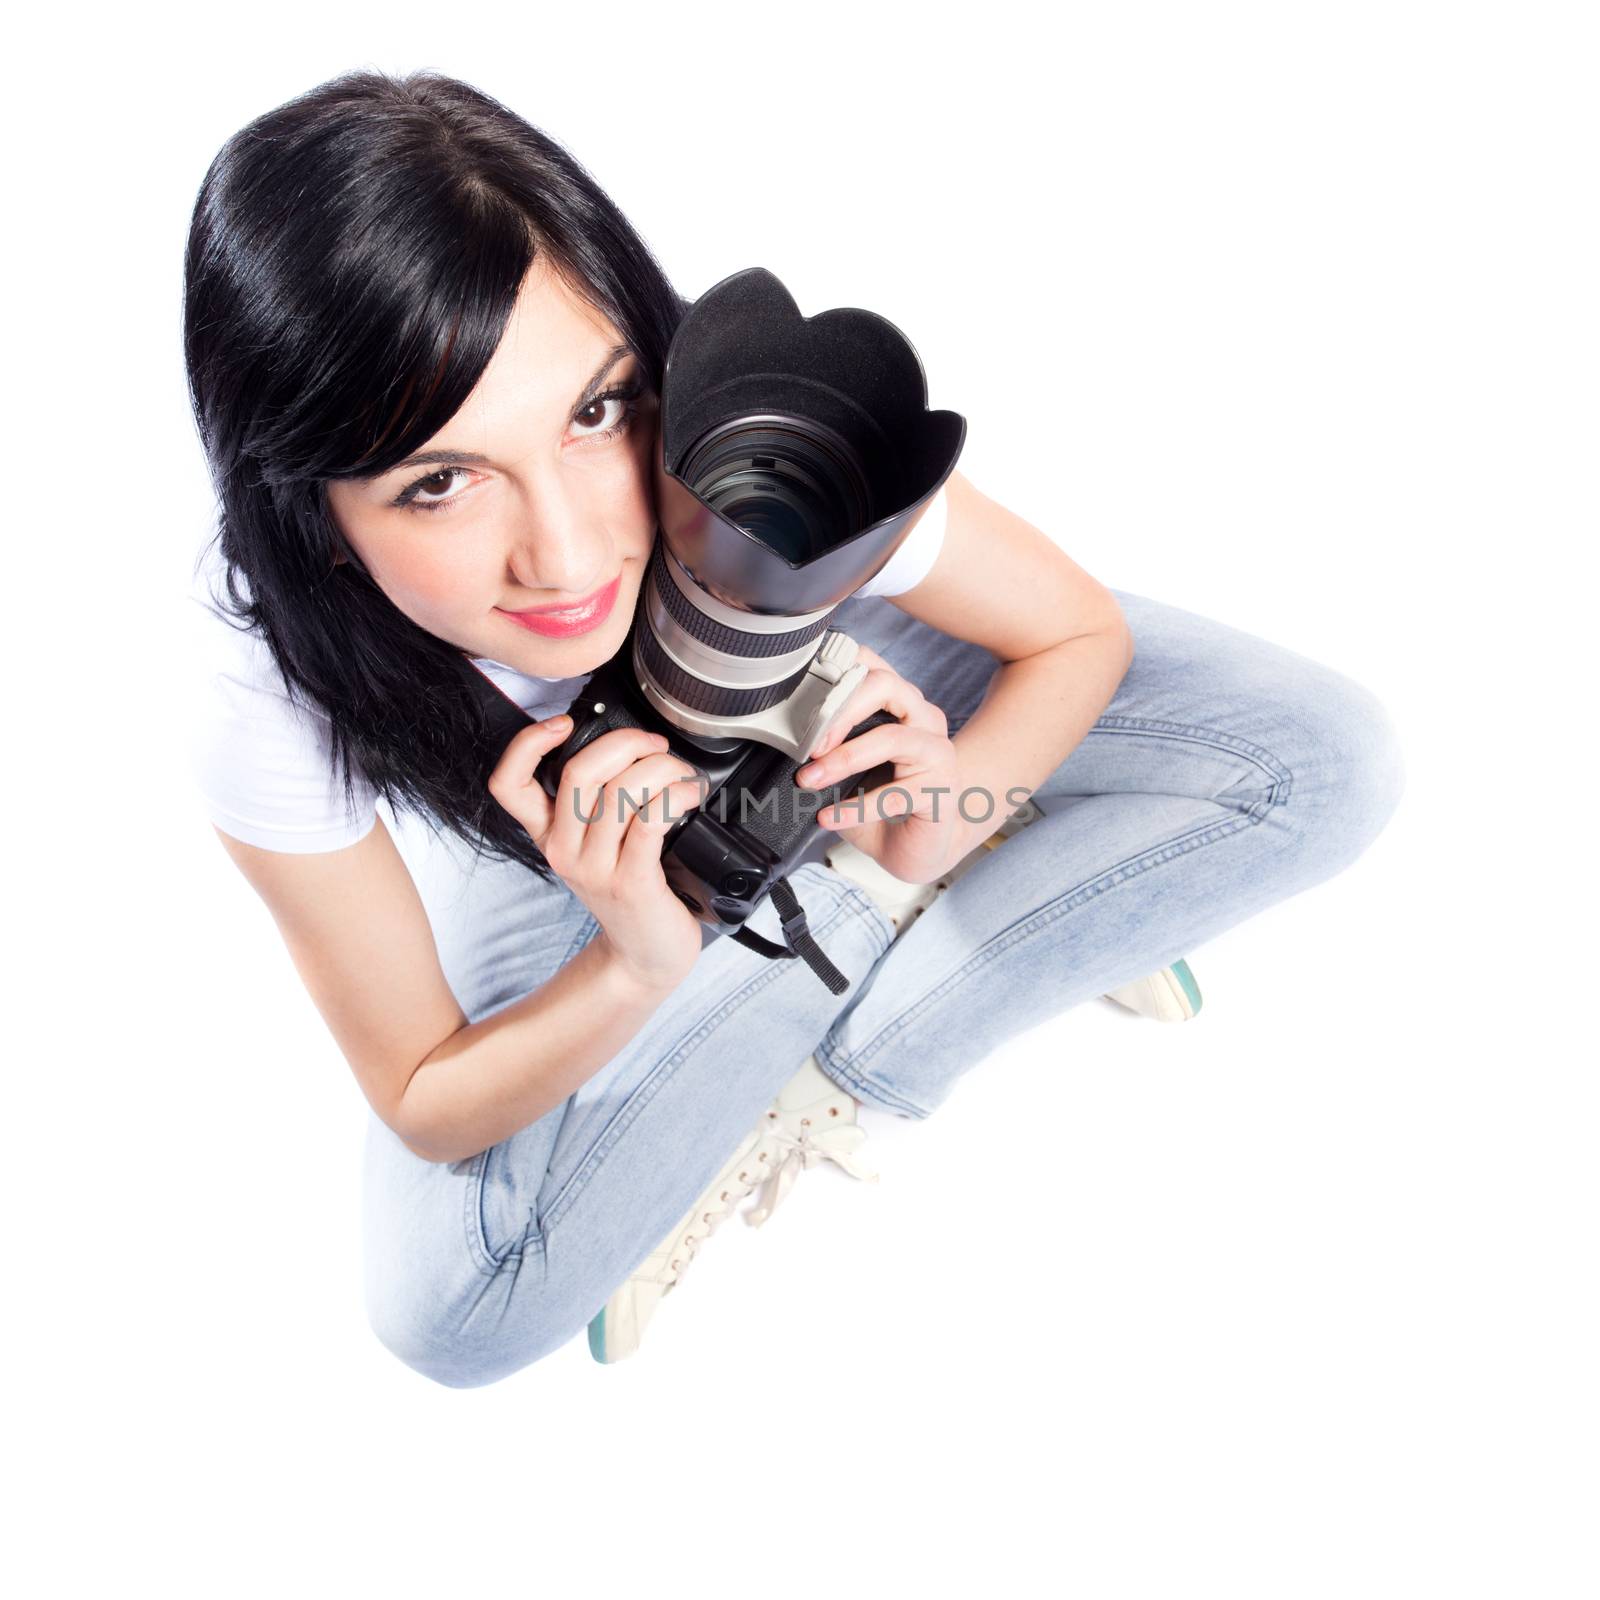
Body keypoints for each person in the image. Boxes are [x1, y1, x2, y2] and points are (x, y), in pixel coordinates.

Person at [182, 69, 1406, 1388]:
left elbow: (1072, 635)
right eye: (440, 482)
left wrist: (947, 812)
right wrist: (640, 963)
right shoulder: (270, 698)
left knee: (1329, 761)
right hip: (579, 835)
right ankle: (941, 917)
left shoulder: (752, 424)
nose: (570, 549)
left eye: (594, 413)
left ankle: (825, 1039)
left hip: (835, 667)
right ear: (315, 512)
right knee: (455, 1306)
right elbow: (425, 1096)